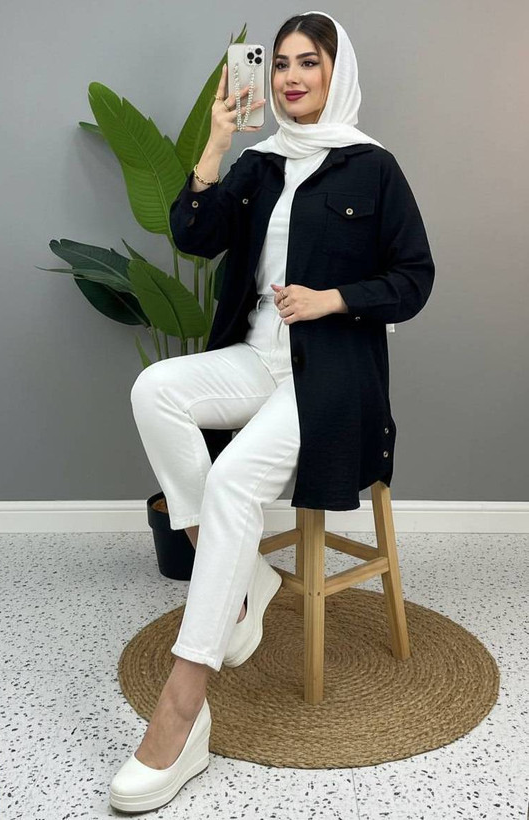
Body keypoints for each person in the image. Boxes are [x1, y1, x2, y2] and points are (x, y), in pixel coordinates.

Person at [109, 10, 435, 813]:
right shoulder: (260, 163)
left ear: (336, 71)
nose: (290, 77)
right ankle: (241, 581)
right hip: (257, 360)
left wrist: (333, 299)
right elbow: (194, 234)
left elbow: (414, 278)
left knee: (232, 485)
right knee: (155, 390)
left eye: (307, 62)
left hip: (330, 378)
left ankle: (183, 709)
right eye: (281, 63)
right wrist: (216, 144)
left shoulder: (373, 167)